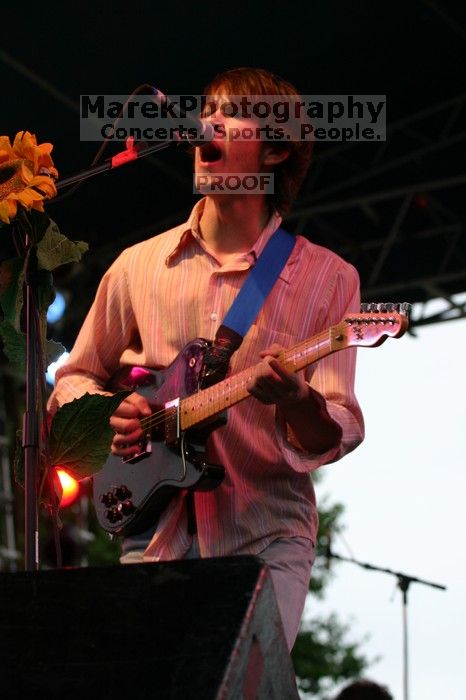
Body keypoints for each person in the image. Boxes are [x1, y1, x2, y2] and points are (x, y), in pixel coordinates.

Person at [47, 67, 365, 651]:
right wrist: (107, 411)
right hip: (153, 530)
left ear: (276, 149)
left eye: (233, 114)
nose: (209, 122)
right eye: (208, 110)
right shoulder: (137, 265)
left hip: (267, 535)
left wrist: (296, 399)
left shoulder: (328, 279)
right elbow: (73, 376)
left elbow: (335, 429)